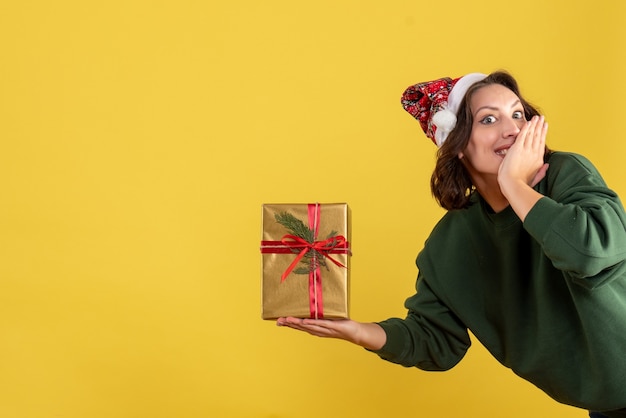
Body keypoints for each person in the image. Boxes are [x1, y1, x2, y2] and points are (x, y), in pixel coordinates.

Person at [277, 70, 626, 417]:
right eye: (489, 119)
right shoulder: (451, 242)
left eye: (518, 114)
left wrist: (514, 186)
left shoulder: (565, 174)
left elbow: (591, 251)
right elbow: (435, 339)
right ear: (457, 145)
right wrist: (357, 332)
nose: (513, 129)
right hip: (607, 405)